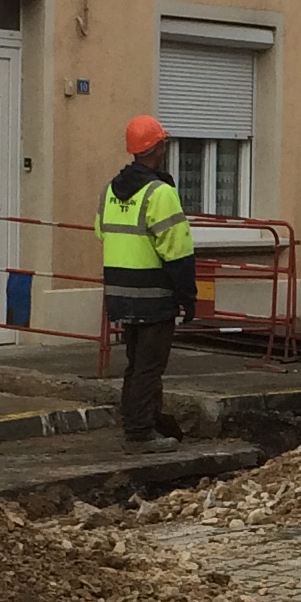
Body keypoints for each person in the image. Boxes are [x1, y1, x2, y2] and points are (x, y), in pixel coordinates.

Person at [98, 115, 197, 448]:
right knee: (149, 367)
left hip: (119, 293)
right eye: (164, 143)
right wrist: (188, 296)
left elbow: (102, 232)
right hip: (154, 293)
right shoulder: (161, 193)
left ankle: (144, 420)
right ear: (157, 148)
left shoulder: (111, 190)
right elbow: (177, 251)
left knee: (136, 363)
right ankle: (140, 432)